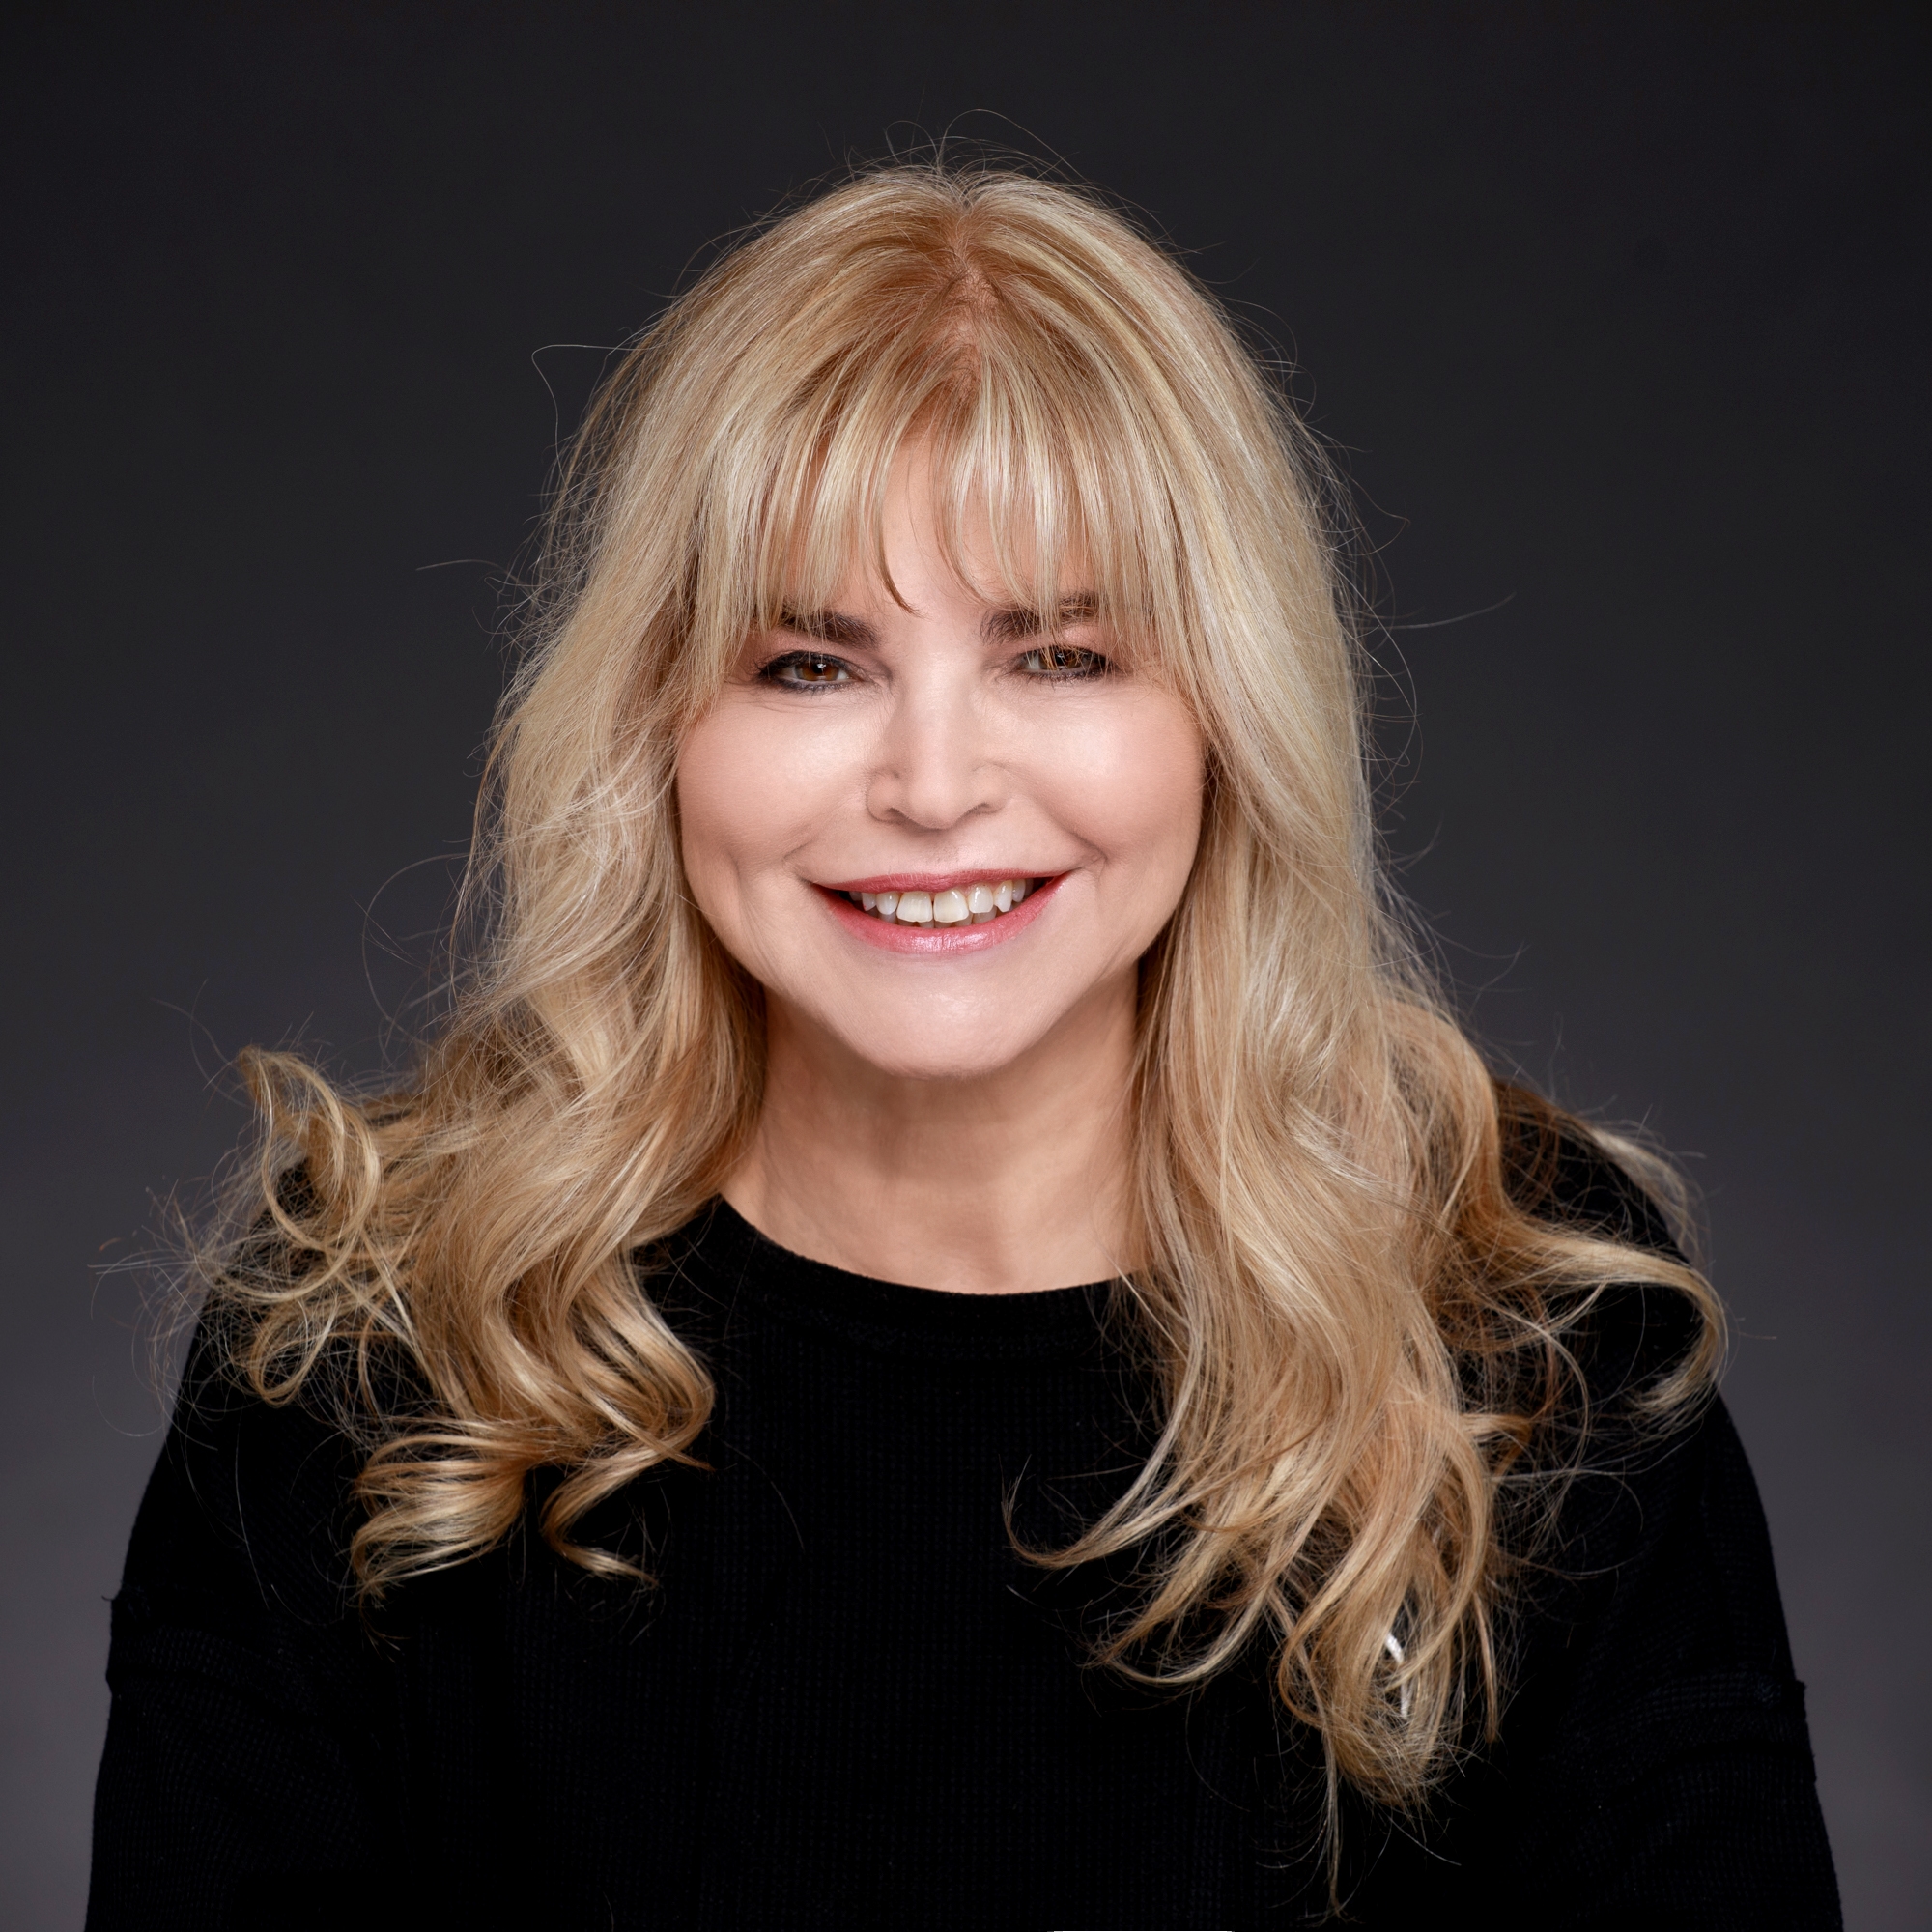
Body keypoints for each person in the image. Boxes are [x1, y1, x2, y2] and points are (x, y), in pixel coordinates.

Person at [87, 162, 1839, 1929]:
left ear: (1227, 718)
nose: (933, 788)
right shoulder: (362, 1360)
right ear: (657, 728)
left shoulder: (1532, 1355)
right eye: (808, 664)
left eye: (1060, 656)